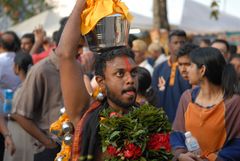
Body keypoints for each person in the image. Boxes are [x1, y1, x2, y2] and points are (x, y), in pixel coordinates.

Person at [55, 0, 143, 160]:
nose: (130, 80)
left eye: (134, 73)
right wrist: (81, 4)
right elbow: (65, 54)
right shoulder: (86, 114)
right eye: (120, 74)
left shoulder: (146, 117)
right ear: (101, 81)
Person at [170, 47, 240, 161]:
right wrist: (181, 155)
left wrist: (211, 158)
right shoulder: (187, 97)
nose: (186, 70)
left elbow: (237, 144)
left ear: (202, 70)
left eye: (190, 65)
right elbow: (177, 133)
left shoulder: (233, 102)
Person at [152, 29, 191, 123]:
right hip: (162, 121)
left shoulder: (191, 68)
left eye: (182, 42)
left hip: (187, 120)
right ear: (169, 45)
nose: (179, 45)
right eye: (175, 42)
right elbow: (154, 95)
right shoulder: (158, 69)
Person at [3, 51, 34, 161]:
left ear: (16, 67)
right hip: (32, 133)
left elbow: (14, 113)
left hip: (18, 132)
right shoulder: (32, 86)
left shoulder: (22, 90)